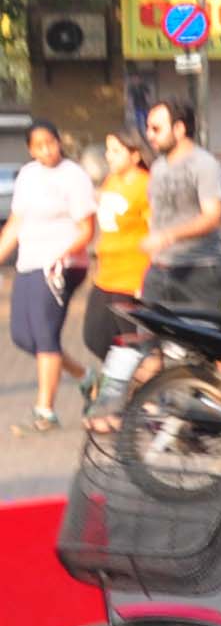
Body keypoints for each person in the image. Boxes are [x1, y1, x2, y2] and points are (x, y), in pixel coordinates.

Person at [0, 118, 96, 431]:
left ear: (59, 142)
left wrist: (64, 253)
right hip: (29, 262)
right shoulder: (28, 175)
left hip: (61, 266)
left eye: (50, 143)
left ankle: (45, 411)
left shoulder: (74, 176)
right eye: (38, 146)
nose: (46, 151)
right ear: (30, 149)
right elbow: (15, 222)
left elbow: (87, 229)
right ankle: (86, 377)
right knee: (22, 337)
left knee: (45, 334)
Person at [137, 97, 221, 311]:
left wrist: (169, 236)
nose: (149, 135)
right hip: (159, 269)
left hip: (199, 270)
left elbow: (213, 217)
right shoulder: (158, 167)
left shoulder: (204, 164)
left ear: (179, 128)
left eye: (156, 128)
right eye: (148, 128)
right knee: (149, 341)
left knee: (201, 341)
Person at [79, 131, 150, 385]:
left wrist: (149, 277)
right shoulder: (111, 180)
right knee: (94, 337)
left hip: (131, 276)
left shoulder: (146, 185)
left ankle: (147, 396)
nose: (109, 156)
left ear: (135, 154)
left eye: (116, 151)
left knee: (132, 344)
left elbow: (155, 232)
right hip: (106, 275)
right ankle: (136, 385)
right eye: (108, 150)